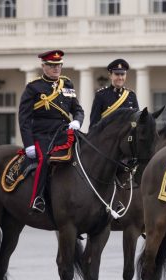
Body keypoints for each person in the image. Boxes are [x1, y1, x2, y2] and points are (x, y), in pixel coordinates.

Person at [19, 50, 85, 213]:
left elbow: (78, 109)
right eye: (52, 65)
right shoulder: (33, 87)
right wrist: (28, 144)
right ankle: (37, 198)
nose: (56, 69)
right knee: (44, 159)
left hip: (65, 133)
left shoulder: (67, 84)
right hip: (43, 134)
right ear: (43, 66)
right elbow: (24, 118)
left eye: (59, 65)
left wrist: (77, 120)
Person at [89, 58, 139, 127]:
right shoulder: (101, 95)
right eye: (117, 74)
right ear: (110, 75)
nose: (120, 78)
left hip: (127, 137)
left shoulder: (131, 95)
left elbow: (136, 121)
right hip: (107, 136)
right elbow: (94, 124)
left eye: (122, 74)